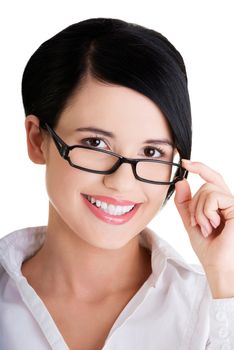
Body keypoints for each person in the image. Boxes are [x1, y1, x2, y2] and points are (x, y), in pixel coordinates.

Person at [0, 17, 234, 350]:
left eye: (152, 151)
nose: (122, 182)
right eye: (96, 143)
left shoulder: (213, 308)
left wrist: (225, 278)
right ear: (38, 140)